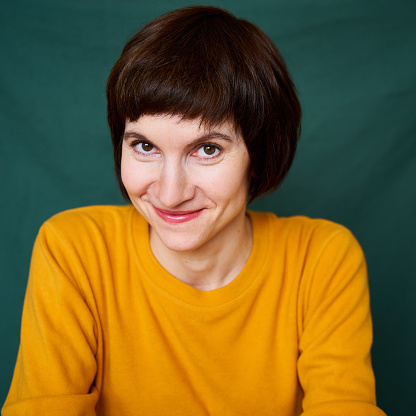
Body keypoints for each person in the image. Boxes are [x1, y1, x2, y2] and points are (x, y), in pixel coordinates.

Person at [2, 6, 386, 416]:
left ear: (259, 154)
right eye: (144, 146)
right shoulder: (74, 250)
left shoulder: (322, 259)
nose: (169, 194)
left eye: (208, 149)